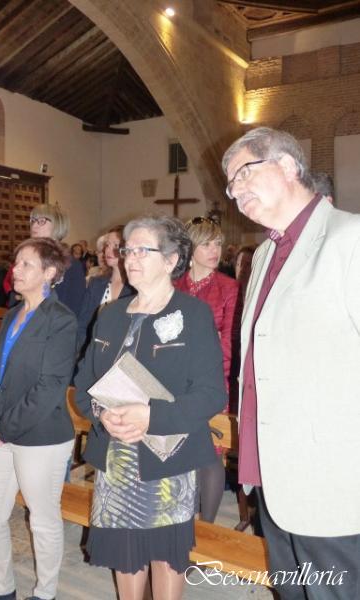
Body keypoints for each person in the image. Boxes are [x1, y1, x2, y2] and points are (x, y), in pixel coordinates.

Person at [222, 126, 360, 599]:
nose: (236, 190)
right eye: (230, 184)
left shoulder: (349, 238)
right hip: (273, 473)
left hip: (332, 478)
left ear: (286, 165)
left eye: (243, 173)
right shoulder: (264, 253)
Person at [74, 215, 227, 600]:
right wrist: (101, 415)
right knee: (125, 556)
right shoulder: (110, 315)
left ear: (172, 260)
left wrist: (151, 416)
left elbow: (212, 395)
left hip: (168, 458)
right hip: (117, 459)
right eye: (128, 250)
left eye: (144, 250)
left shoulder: (193, 314)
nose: (131, 258)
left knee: (166, 556)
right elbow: (83, 385)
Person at [0, 238, 78, 600]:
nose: (15, 269)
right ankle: (1, 589)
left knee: (42, 520)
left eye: (26, 264)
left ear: (49, 273)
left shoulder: (60, 320)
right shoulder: (13, 314)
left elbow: (50, 387)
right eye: (16, 263)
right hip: (0, 432)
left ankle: (45, 594)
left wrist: (0, 428)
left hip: (42, 437)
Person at [174, 217, 241, 521]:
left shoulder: (229, 287)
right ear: (190, 248)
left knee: (210, 455)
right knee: (180, 451)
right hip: (175, 383)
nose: (215, 250)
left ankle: (208, 527)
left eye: (218, 244)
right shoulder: (174, 285)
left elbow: (229, 344)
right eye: (207, 244)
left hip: (214, 382)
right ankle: (182, 521)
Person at [77, 226, 134, 353]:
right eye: (107, 245)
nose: (108, 250)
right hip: (91, 351)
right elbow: (83, 325)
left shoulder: (135, 288)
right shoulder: (96, 283)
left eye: (116, 245)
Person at [30, 204, 86, 316]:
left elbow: (73, 309)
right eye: (33, 220)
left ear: (57, 225)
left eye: (41, 221)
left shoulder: (72, 266)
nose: (34, 226)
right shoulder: (27, 260)